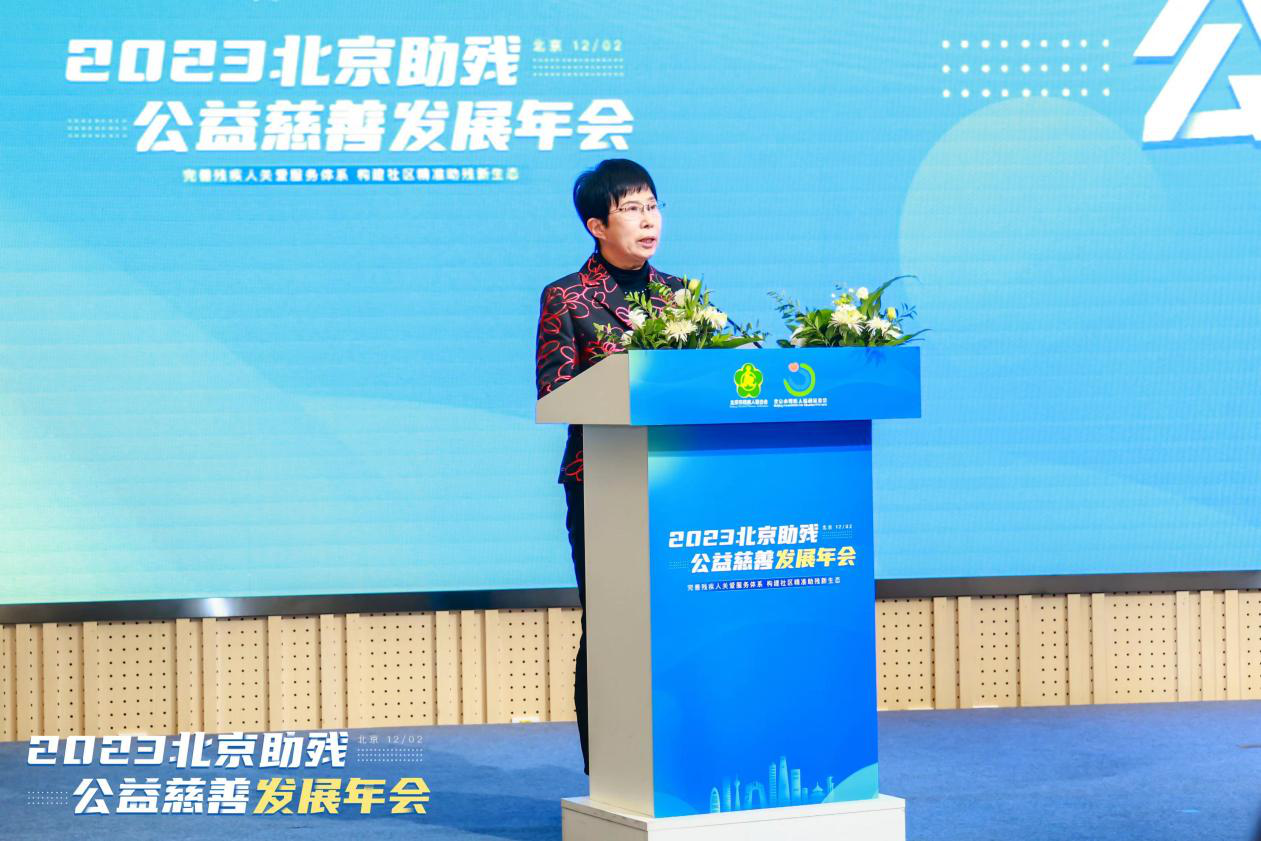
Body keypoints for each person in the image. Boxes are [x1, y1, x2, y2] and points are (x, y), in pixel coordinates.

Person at [534, 159, 684, 775]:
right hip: (602, 485)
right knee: (612, 623)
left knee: (676, 619)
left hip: (678, 483)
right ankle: (610, 772)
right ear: (597, 225)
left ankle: (676, 757)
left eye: (653, 206)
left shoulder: (682, 296)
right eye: (631, 209)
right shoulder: (566, 296)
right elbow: (555, 393)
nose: (648, 220)